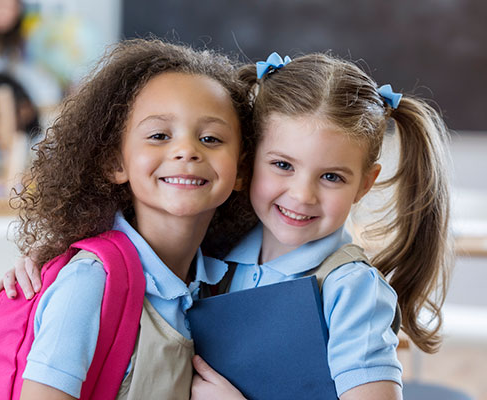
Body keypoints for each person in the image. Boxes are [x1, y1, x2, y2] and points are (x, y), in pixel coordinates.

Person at [0, 38, 255, 399]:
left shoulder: (218, 281)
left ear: (240, 169)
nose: (186, 151)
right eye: (159, 135)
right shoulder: (90, 284)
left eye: (210, 138)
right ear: (115, 162)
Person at [187, 52, 452, 399]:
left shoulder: (352, 290)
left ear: (364, 185)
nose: (302, 195)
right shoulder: (214, 255)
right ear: (247, 160)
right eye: (283, 165)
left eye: (331, 176)